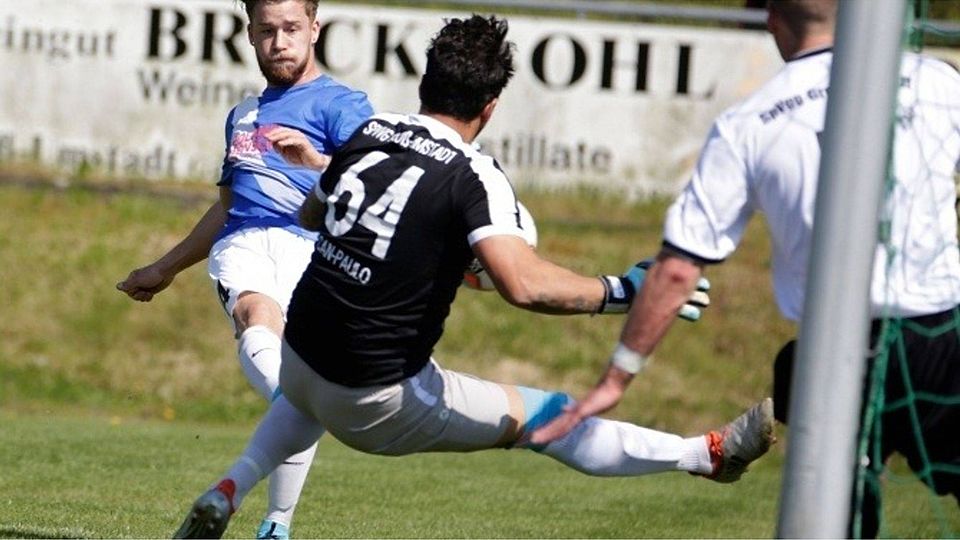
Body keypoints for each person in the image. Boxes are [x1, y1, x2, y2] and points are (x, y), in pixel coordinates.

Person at [170, 14, 775, 539]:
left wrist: (415, 252)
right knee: (548, 416)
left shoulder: (370, 134)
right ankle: (704, 455)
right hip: (376, 398)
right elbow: (524, 284)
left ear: (424, 83)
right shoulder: (472, 174)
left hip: (300, 360)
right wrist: (624, 292)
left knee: (310, 393)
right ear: (490, 106)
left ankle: (229, 488)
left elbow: (312, 215)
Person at [531, 0, 960, 537]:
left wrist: (616, 378)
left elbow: (678, 271)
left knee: (832, 496)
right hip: (943, 337)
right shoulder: (936, 82)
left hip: (835, 358)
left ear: (773, 22)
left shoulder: (750, 121)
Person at [116, 0, 374, 538]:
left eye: (291, 28)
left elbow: (376, 182)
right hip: (246, 245)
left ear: (314, 29)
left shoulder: (342, 105)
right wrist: (165, 268)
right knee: (258, 318)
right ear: (251, 35)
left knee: (302, 382)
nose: (280, 42)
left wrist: (316, 162)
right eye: (267, 30)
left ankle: (276, 521)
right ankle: (292, 408)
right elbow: (229, 207)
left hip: (314, 251)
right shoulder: (243, 114)